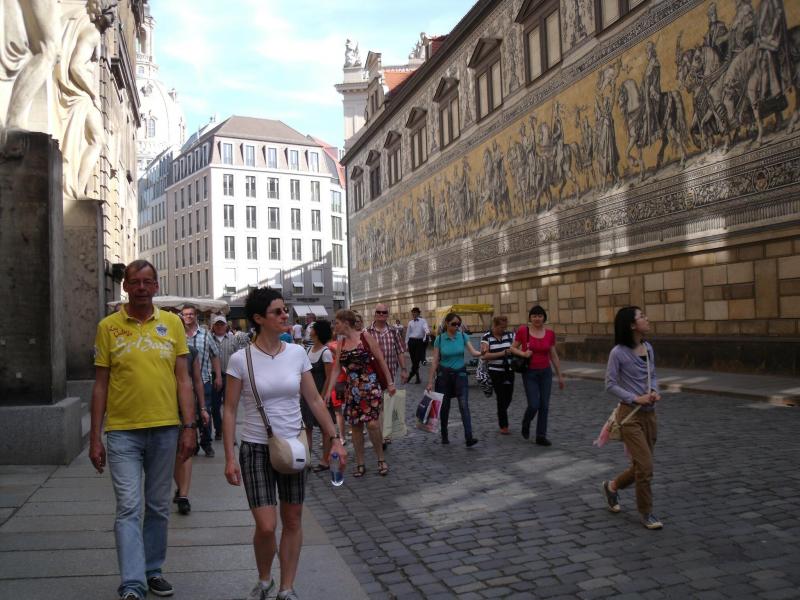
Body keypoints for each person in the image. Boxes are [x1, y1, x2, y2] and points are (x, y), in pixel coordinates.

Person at [223, 288, 346, 600]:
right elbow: (230, 410)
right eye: (277, 311)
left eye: (284, 310)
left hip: (294, 445)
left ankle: (286, 587)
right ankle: (265, 578)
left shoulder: (296, 354)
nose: (284, 315)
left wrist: (335, 439)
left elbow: (314, 400)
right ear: (258, 318)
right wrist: (229, 457)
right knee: (266, 525)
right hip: (256, 447)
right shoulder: (241, 359)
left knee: (292, 520)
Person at [89, 260, 196, 600]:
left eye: (147, 282)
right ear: (125, 286)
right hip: (122, 432)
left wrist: (189, 425)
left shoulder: (172, 323)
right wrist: (94, 437)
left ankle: (153, 570)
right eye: (135, 282)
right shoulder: (108, 327)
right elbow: (100, 385)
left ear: (156, 286)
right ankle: (133, 582)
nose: (141, 288)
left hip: (165, 428)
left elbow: (183, 379)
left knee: (159, 506)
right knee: (129, 507)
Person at [601, 306, 663, 530]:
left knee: (639, 466)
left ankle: (612, 486)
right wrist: (635, 398)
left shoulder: (648, 347)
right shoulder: (617, 352)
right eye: (642, 316)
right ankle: (646, 513)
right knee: (645, 467)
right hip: (630, 416)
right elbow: (610, 384)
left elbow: (652, 375)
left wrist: (654, 391)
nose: (647, 319)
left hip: (650, 415)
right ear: (631, 325)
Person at [327, 309, 395, 477]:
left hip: (370, 386)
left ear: (345, 323)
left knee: (372, 424)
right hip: (352, 390)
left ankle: (381, 459)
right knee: (356, 427)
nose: (334, 326)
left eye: (337, 322)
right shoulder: (341, 343)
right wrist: (329, 391)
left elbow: (381, 360)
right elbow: (336, 369)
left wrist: (390, 383)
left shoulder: (365, 337)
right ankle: (360, 463)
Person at [426, 312, 482, 447]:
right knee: (445, 407)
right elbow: (435, 361)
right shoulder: (439, 339)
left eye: (458, 324)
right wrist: (430, 381)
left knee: (464, 405)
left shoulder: (463, 336)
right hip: (444, 376)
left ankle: (469, 437)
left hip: (460, 375)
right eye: (454, 324)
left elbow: (473, 352)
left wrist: (482, 353)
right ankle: (444, 434)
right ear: (447, 323)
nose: (456, 326)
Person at [512, 305, 565, 446]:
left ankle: (541, 435)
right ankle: (526, 421)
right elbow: (512, 348)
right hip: (530, 372)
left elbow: (553, 355)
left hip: (546, 373)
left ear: (544, 318)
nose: (537, 318)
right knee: (534, 404)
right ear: (530, 318)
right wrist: (523, 353)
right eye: (534, 316)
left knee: (544, 405)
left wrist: (559, 376)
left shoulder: (550, 334)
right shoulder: (524, 331)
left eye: (540, 316)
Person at [173, 344, 210, 515]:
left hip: (185, 408)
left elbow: (197, 380)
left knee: (185, 451)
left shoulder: (190, 352)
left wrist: (202, 408)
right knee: (172, 455)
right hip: (163, 408)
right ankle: (181, 487)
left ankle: (183, 495)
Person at [181, 306, 221, 455]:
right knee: (187, 413)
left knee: (205, 411)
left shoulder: (205, 335)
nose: (188, 316)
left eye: (191, 314)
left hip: (204, 380)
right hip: (183, 383)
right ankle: (193, 443)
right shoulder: (178, 335)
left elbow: (215, 355)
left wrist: (218, 376)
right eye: (186, 314)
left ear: (196, 315)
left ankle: (206, 443)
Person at [367, 304, 409, 449]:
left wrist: (404, 369)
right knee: (377, 405)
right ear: (375, 314)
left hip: (390, 373)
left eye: (384, 312)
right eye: (378, 312)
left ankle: (385, 434)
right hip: (372, 375)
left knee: (387, 404)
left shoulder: (393, 332)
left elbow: (400, 351)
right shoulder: (367, 332)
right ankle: (382, 435)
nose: (381, 314)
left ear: (387, 315)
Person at [303, 320, 337, 472]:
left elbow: (329, 378)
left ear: (317, 332)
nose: (310, 330)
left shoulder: (326, 352)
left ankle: (325, 460)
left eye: (312, 328)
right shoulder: (308, 349)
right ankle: (307, 460)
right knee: (307, 428)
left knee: (324, 429)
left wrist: (322, 396)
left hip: (320, 395)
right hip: (306, 395)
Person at [480, 316, 517, 434]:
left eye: (505, 327)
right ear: (494, 326)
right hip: (495, 371)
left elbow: (518, 348)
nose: (504, 330)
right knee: (501, 397)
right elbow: (485, 356)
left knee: (509, 397)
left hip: (509, 370)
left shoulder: (511, 335)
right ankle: (504, 426)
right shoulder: (486, 337)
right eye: (501, 327)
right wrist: (503, 353)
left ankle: (501, 412)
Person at [210, 315, 237, 440]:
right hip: (214, 376)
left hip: (230, 376)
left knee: (229, 406)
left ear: (226, 326)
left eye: (222, 324)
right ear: (213, 326)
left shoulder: (233, 339)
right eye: (217, 324)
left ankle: (229, 432)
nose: (220, 326)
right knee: (215, 407)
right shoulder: (209, 339)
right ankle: (219, 429)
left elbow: (239, 357)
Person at [405, 307, 430, 384]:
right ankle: (418, 378)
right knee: (414, 361)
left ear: (418, 313)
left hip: (419, 341)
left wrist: (427, 332)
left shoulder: (423, 321)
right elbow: (408, 333)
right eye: (412, 312)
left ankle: (410, 376)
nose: (413, 313)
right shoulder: (410, 322)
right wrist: (406, 345)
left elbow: (425, 327)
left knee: (416, 359)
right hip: (411, 342)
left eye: (415, 312)